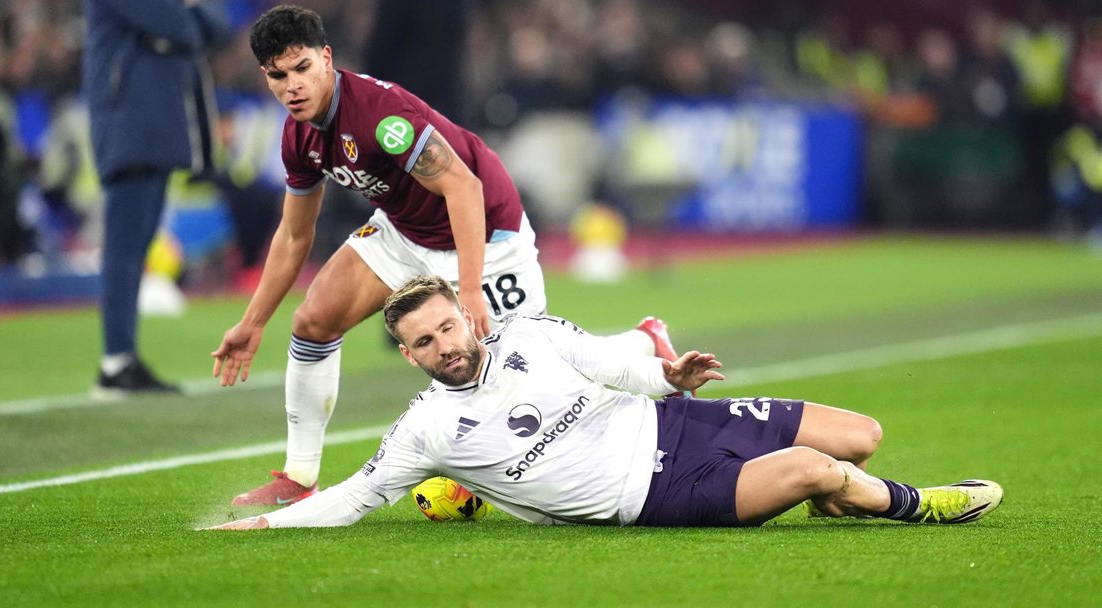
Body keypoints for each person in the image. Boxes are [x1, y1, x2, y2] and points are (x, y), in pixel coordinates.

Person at [210, 6, 670, 507]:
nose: (292, 86)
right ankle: (300, 478)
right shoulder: (298, 137)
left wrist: (468, 290)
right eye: (278, 76)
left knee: (533, 375)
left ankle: (644, 341)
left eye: (302, 68)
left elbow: (464, 188)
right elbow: (294, 235)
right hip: (404, 230)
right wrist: (253, 322)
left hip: (485, 236)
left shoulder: (380, 116)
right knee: (313, 321)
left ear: (326, 58)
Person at [206, 275, 1003, 531]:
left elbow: (620, 368)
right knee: (814, 467)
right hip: (660, 493)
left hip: (679, 421)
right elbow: (352, 498)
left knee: (862, 434)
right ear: (409, 355)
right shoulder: (427, 430)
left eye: (447, 326)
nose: (443, 344)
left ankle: (840, 494)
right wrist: (265, 525)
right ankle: (921, 505)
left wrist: (671, 377)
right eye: (424, 342)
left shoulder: (529, 333)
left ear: (465, 319)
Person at [81, 0, 229, 394]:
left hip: (156, 117)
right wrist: (195, 21)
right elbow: (175, 22)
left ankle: (122, 358)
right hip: (129, 117)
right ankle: (115, 361)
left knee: (137, 242)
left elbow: (189, 24)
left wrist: (190, 22)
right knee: (125, 244)